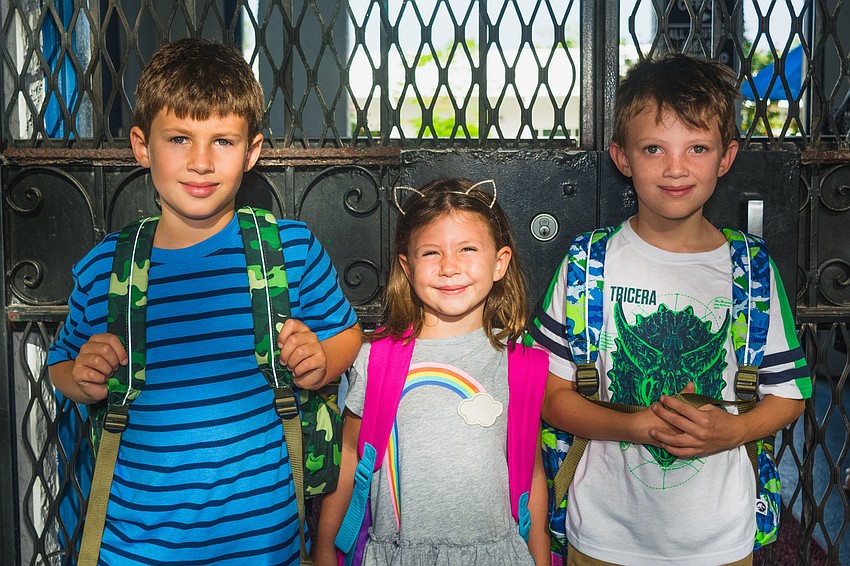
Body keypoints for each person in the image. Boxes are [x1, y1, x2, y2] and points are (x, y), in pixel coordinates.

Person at [48, 38, 362, 565]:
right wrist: (79, 378)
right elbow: (61, 362)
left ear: (252, 152)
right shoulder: (106, 267)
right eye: (178, 138)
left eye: (222, 141)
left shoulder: (290, 250)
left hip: (263, 544)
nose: (199, 162)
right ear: (143, 146)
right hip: (133, 545)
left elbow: (346, 335)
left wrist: (321, 361)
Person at [527, 53, 811, 565]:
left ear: (725, 158)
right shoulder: (587, 265)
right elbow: (550, 397)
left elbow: (789, 395)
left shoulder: (752, 270)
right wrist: (632, 427)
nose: (676, 168)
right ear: (621, 157)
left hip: (720, 540)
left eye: (696, 148)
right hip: (603, 537)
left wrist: (734, 430)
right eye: (654, 148)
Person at [313, 179, 550, 565]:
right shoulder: (375, 360)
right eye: (431, 253)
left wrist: (538, 553)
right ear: (407, 266)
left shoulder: (521, 366)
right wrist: (325, 548)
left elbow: (530, 470)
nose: (450, 267)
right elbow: (352, 452)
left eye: (468, 249)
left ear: (499, 262)